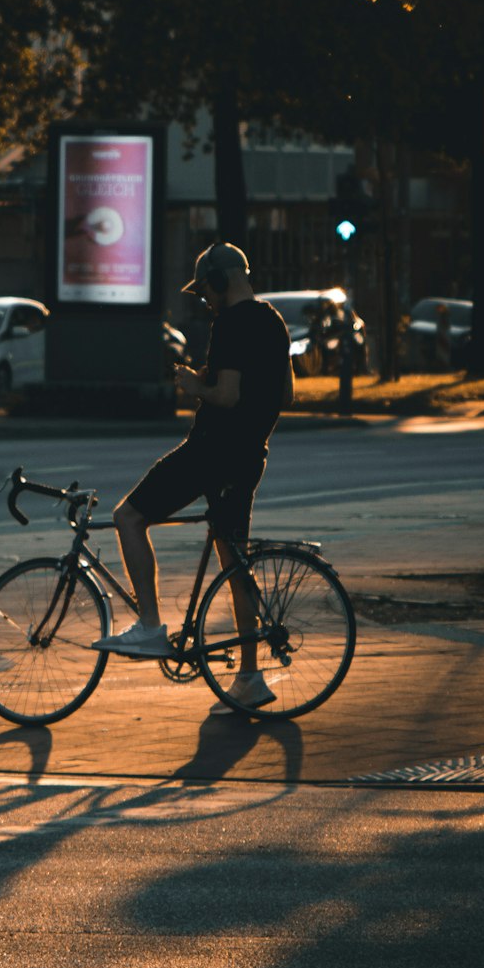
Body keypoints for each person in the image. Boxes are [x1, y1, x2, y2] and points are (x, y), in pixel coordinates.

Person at [92, 241, 292, 713]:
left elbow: (224, 395)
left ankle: (150, 626)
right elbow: (284, 393)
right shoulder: (272, 320)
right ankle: (249, 677)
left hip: (210, 452)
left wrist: (193, 385)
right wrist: (225, 388)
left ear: (222, 282)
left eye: (205, 292)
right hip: (248, 457)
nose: (204, 300)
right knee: (234, 563)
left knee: (128, 517)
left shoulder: (230, 323)